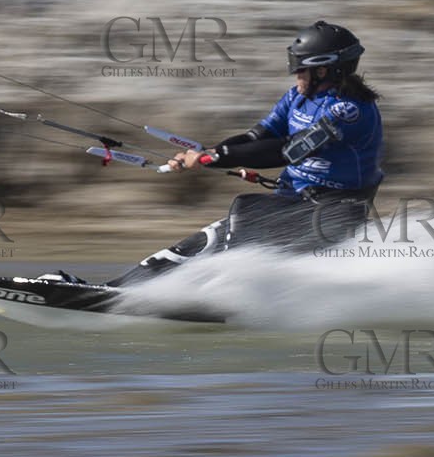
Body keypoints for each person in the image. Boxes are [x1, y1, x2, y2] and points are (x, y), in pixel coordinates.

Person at [101, 20, 385, 285]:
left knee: (239, 220)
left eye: (301, 69)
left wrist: (216, 157)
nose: (296, 74)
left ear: (324, 70)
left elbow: (289, 151)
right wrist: (206, 154)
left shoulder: (348, 111)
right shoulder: (297, 97)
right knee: (212, 238)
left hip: (331, 211)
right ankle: (124, 288)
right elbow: (256, 137)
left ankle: (204, 296)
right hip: (295, 201)